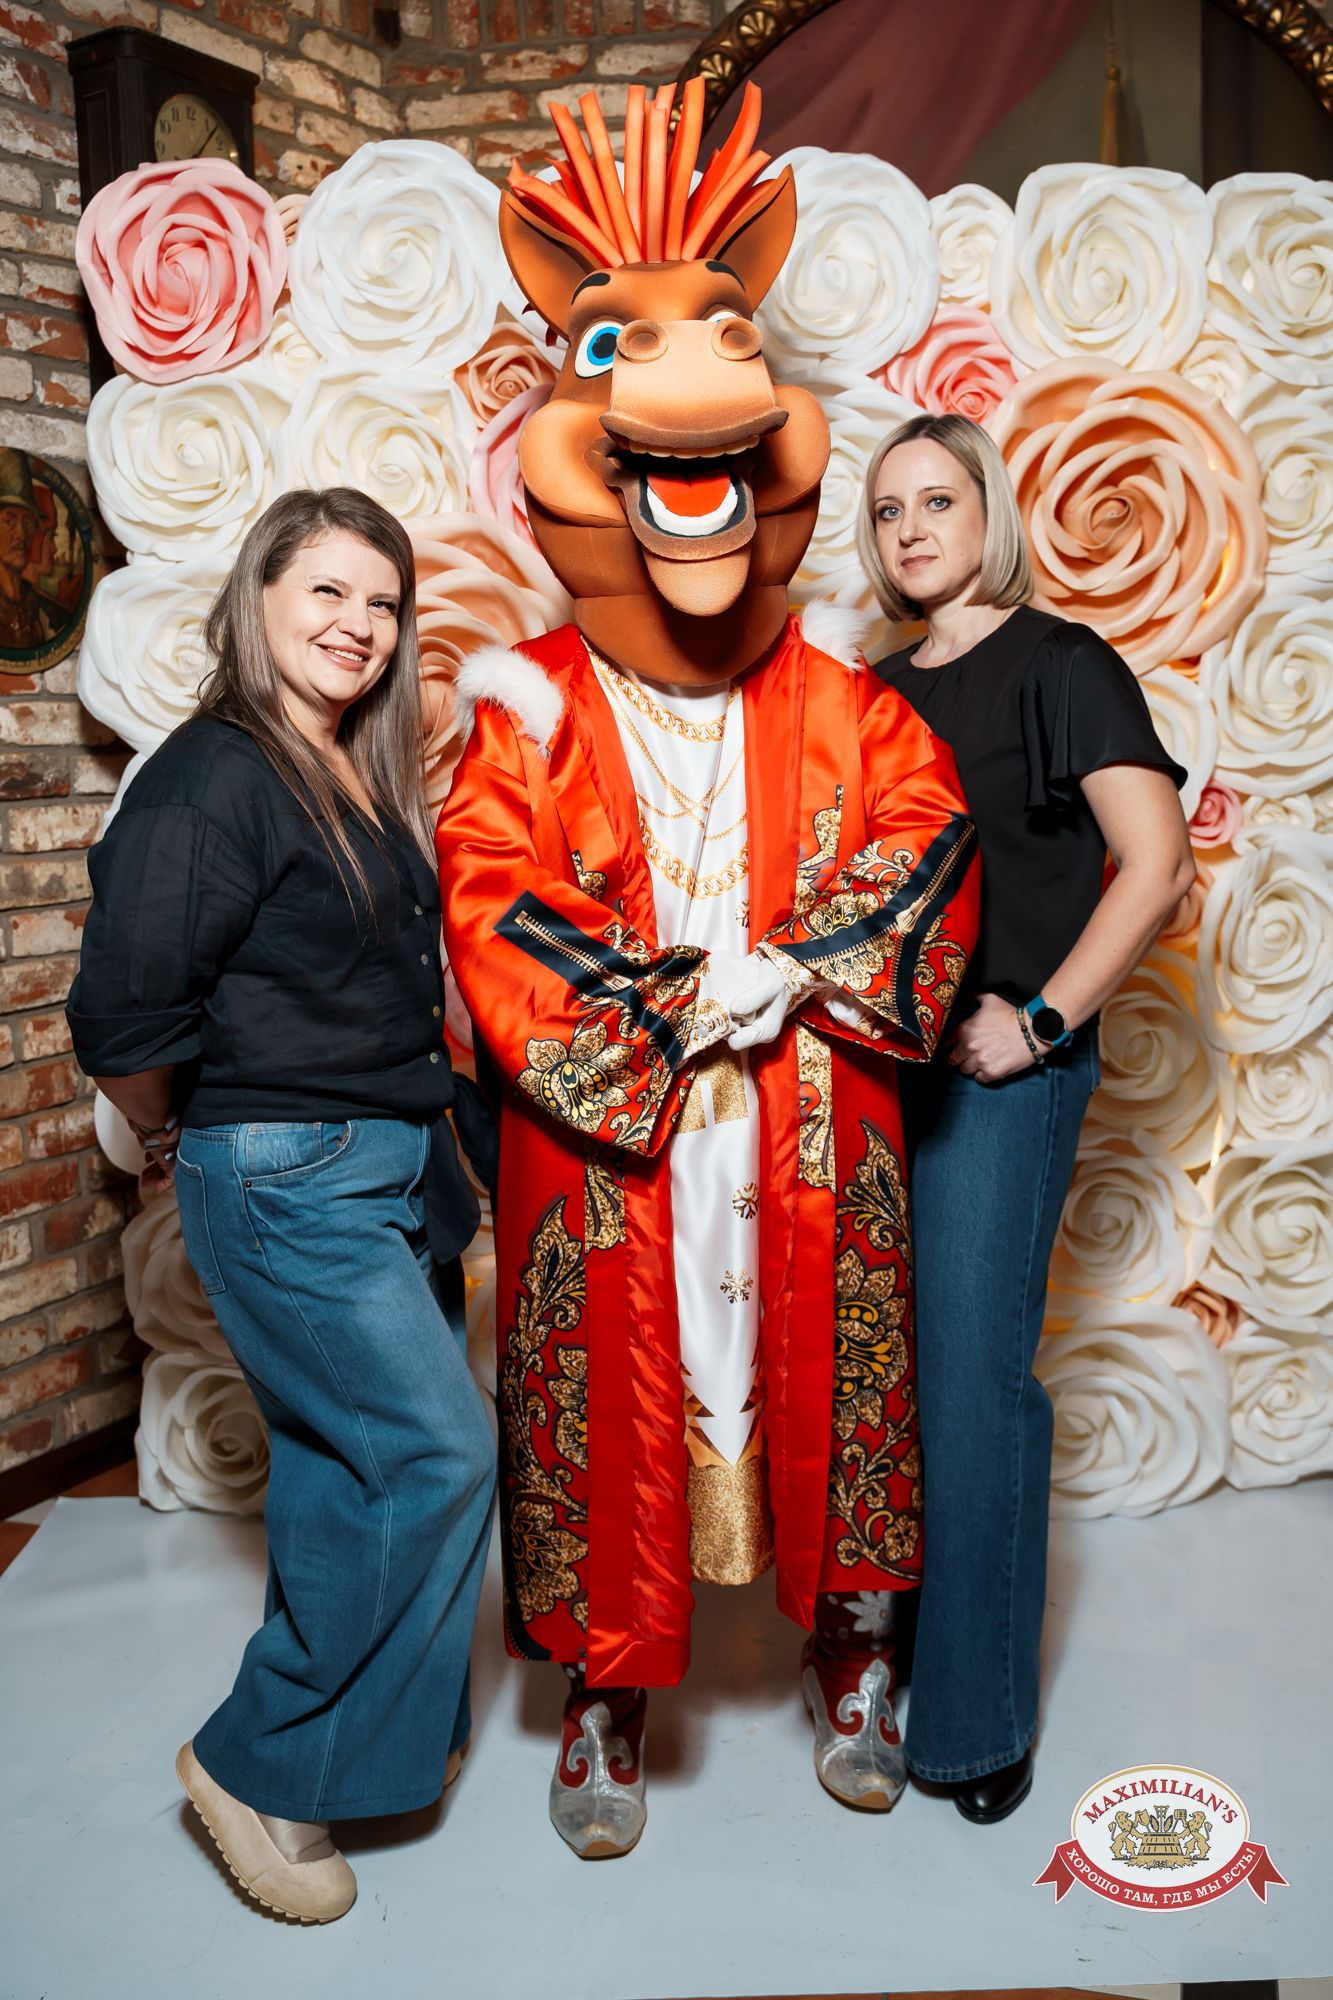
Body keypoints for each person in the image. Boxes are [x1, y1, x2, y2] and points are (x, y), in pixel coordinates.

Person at [437, 83, 980, 1859]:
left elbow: (928, 842)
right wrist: (681, 997)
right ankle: (602, 1697)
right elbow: (492, 895)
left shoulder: (840, 698)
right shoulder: (525, 701)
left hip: (810, 1108)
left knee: (844, 1375)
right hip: (624, 1137)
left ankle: (857, 1656)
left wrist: (800, 971)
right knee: (603, 1393)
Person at [66, 487, 496, 1923]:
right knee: (435, 1454)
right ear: (257, 599)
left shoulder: (347, 768)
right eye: (326, 591)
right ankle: (257, 1762)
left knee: (335, 1468)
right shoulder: (214, 774)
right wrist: (176, 1129)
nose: (357, 624)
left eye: (382, 602)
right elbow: (124, 1017)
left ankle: (352, 1757)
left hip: (385, 1166)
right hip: (287, 1173)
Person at [860, 413, 1193, 1824]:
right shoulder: (874, 690)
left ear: (987, 511)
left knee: (973, 1385)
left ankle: (974, 1725)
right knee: (895, 1379)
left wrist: (1043, 1021)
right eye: (888, 511)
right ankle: (897, 1651)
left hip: (1003, 1075)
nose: (911, 530)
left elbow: (1156, 863)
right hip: (886, 1074)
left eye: (937, 501)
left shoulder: (1062, 664)